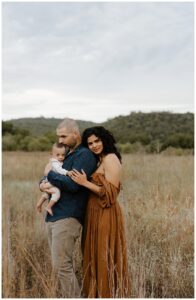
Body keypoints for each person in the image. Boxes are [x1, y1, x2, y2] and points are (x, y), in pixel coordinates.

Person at [39, 118, 97, 298]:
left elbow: (73, 185)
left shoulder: (84, 155)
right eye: (59, 137)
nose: (61, 140)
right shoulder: (65, 155)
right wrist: (42, 182)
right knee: (59, 266)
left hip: (68, 216)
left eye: (64, 136)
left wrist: (49, 174)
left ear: (76, 134)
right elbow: (49, 177)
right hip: (54, 215)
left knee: (62, 266)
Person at [71, 126, 130, 298]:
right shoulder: (99, 160)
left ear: (104, 139)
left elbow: (111, 194)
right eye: (90, 143)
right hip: (93, 213)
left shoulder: (111, 158)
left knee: (104, 254)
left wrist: (84, 182)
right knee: (93, 255)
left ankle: (107, 293)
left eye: (97, 141)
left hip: (106, 213)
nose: (94, 145)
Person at [36, 142, 72, 216]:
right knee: (56, 192)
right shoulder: (55, 162)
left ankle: (39, 204)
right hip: (51, 181)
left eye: (63, 155)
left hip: (49, 181)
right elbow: (59, 170)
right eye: (58, 155)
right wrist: (67, 172)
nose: (61, 157)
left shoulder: (58, 161)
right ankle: (49, 207)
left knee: (48, 193)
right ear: (52, 154)